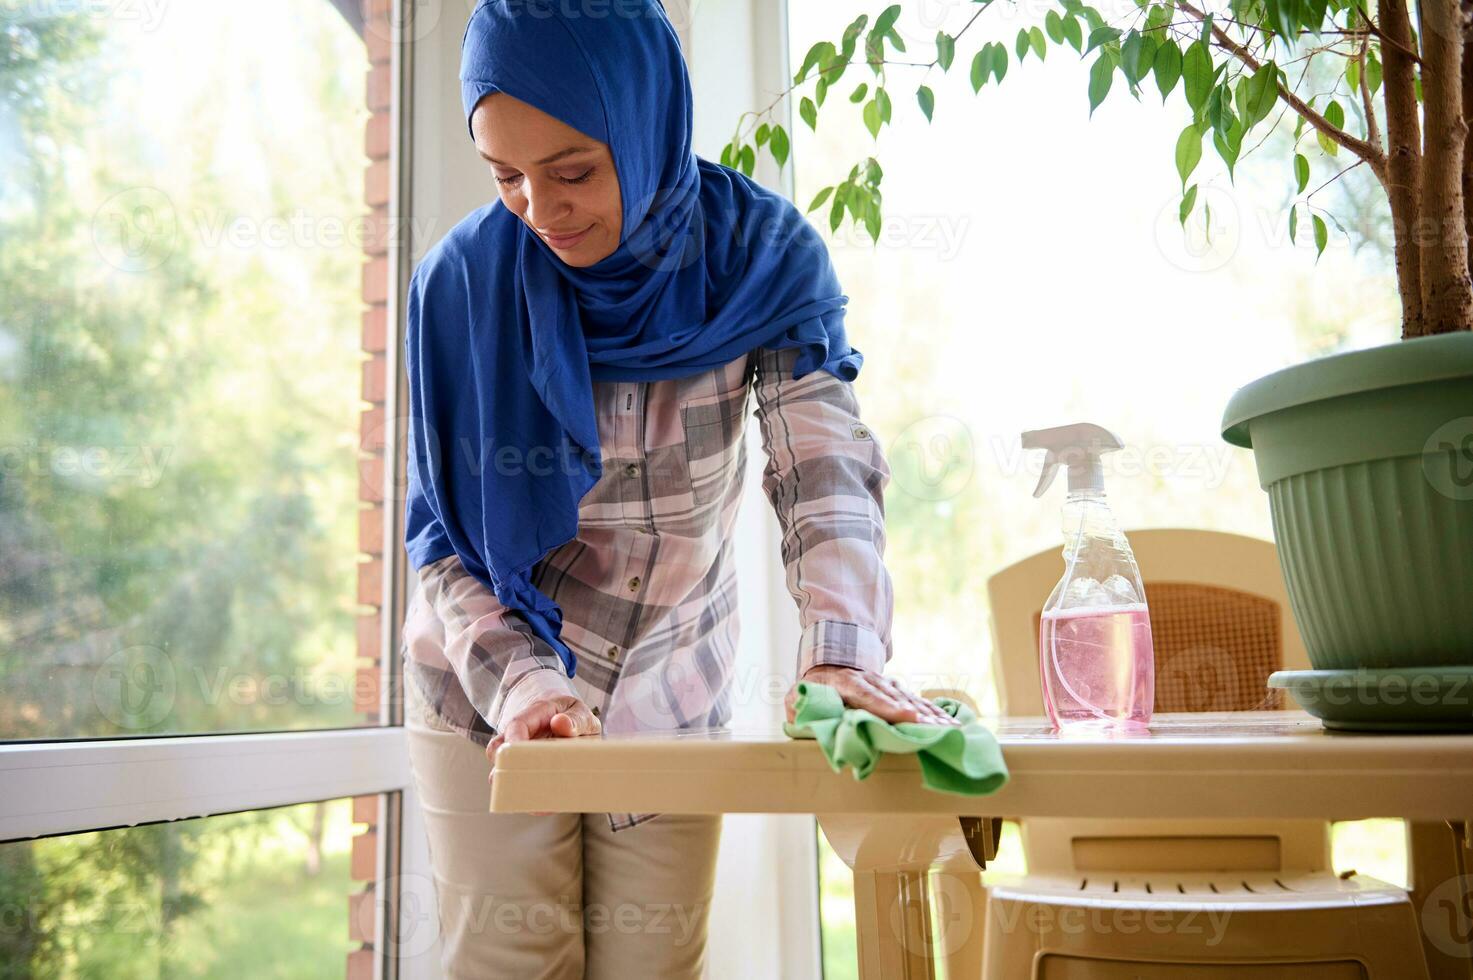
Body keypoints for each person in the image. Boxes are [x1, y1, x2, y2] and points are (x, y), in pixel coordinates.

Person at [398, 1, 961, 976]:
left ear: (644, 118)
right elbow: (444, 539)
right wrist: (528, 684)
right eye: (506, 176)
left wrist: (838, 652)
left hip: (671, 674)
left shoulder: (761, 260)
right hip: (484, 677)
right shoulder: (458, 285)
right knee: (511, 963)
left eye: (573, 168)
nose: (540, 207)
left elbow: (821, 471)